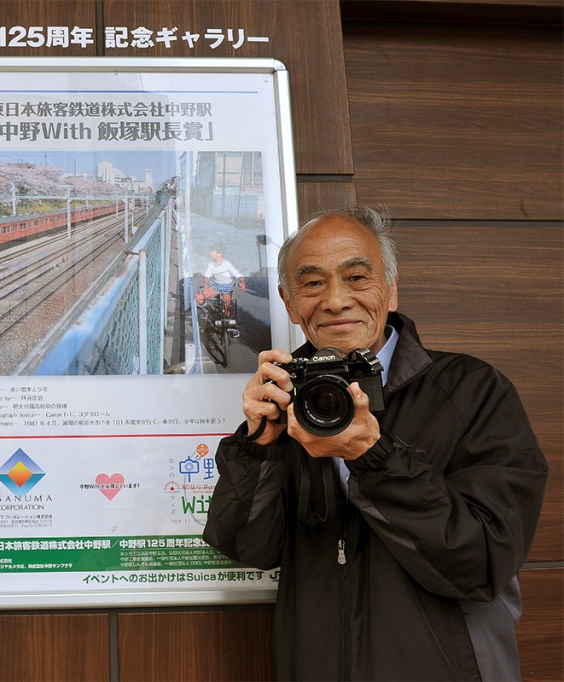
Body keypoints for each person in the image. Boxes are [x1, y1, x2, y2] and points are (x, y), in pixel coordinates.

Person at [202, 207, 547, 680]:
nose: (336, 300)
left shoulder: (471, 390)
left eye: (357, 277)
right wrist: (259, 446)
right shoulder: (288, 399)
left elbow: (483, 560)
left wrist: (371, 455)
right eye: (312, 284)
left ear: (391, 286)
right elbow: (247, 548)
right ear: (287, 300)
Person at [195, 245, 246, 315]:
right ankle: (210, 310)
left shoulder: (226, 264)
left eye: (213, 252)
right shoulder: (211, 264)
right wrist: (205, 283)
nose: (210, 253)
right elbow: (207, 276)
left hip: (227, 289)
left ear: (220, 254)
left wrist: (242, 282)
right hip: (215, 287)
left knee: (227, 311)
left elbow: (237, 274)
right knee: (198, 298)